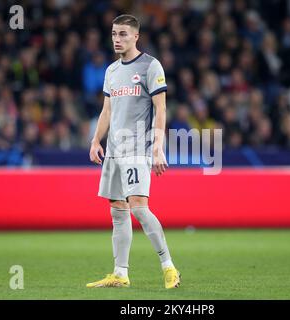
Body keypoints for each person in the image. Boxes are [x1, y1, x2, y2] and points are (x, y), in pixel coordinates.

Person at [87, 14, 180, 289]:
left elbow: (161, 108)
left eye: (123, 34)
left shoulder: (151, 66)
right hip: (114, 150)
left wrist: (158, 147)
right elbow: (107, 110)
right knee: (118, 210)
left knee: (139, 209)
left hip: (137, 147)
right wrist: (95, 140)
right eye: (114, 34)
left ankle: (169, 267)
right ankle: (120, 273)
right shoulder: (112, 71)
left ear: (136, 36)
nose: (117, 39)